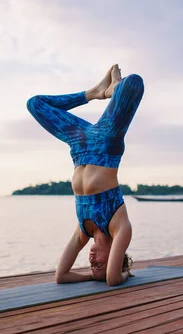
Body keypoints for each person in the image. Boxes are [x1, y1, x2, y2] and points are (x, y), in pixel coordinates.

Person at [27, 64, 144, 286]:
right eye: (99, 263)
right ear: (115, 257)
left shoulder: (84, 230)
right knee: (134, 83)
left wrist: (92, 276)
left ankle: (95, 93)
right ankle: (116, 89)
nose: (91, 260)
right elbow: (112, 279)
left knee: (35, 104)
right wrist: (125, 273)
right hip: (106, 143)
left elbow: (61, 277)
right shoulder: (120, 228)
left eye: (92, 266)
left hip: (79, 145)